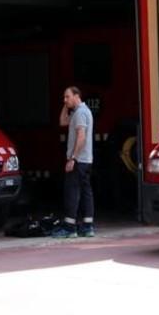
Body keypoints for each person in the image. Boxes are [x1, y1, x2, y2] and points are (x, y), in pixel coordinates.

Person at [51, 86, 94, 238]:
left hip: (79, 160)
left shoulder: (80, 113)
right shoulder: (80, 112)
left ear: (77, 96)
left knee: (72, 192)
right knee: (85, 191)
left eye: (67, 97)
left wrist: (73, 158)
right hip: (86, 160)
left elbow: (81, 137)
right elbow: (62, 121)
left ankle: (70, 228)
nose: (65, 100)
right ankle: (87, 226)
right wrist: (67, 105)